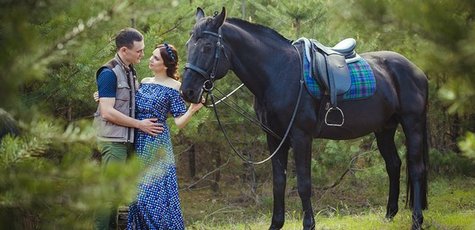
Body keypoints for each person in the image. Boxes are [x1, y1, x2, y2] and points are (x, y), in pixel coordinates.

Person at [126, 43, 203, 230]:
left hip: (156, 144)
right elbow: (128, 103)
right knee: (136, 198)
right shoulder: (143, 82)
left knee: (151, 197)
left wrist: (192, 110)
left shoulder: (175, 87)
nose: (150, 60)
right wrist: (103, 96)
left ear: (166, 65)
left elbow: (178, 122)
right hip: (138, 141)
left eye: (155, 58)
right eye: (151, 56)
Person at [93, 27, 164, 230]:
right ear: (124, 50)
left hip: (127, 142)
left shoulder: (130, 71)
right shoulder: (109, 72)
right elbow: (107, 112)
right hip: (113, 142)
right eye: (139, 50)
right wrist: (140, 125)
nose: (143, 54)